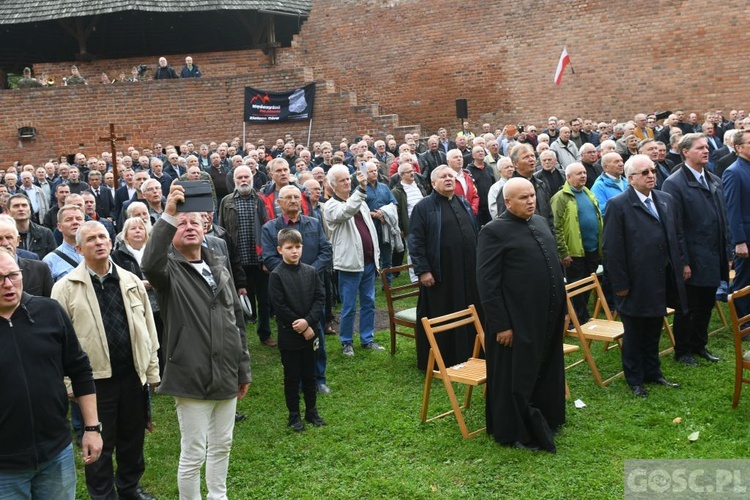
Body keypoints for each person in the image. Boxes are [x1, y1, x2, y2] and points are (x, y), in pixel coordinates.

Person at [142, 183, 250, 499]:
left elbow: (236, 320)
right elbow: (149, 263)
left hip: (227, 372)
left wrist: (243, 369)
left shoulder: (218, 262)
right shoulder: (168, 271)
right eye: (181, 223)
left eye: (195, 222)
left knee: (222, 445)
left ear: (206, 227)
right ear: (171, 232)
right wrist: (169, 214)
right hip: (191, 375)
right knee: (194, 453)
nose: (188, 227)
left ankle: (219, 496)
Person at [52, 221, 159, 500]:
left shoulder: (131, 281)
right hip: (94, 383)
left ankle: (129, 487)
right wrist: (68, 383)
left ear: (111, 242)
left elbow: (149, 329)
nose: (99, 242)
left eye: (103, 237)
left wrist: (152, 371)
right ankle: (102, 494)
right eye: (91, 239)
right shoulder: (65, 288)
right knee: (99, 443)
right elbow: (58, 343)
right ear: (78, 248)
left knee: (132, 439)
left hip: (133, 377)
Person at [0, 248, 102, 499]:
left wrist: (92, 428)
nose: (8, 284)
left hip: (56, 454)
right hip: (4, 467)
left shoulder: (50, 312)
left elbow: (80, 370)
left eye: (14, 275)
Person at [476, 177, 566, 452]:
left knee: (545, 367)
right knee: (517, 375)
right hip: (515, 320)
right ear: (507, 202)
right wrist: (502, 324)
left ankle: (547, 416)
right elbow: (487, 283)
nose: (530, 201)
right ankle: (514, 430)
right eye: (523, 198)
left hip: (546, 314)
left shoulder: (538, 221)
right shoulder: (493, 231)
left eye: (531, 196)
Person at [603, 154, 687, 397]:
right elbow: (612, 249)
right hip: (635, 280)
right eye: (645, 173)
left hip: (660, 278)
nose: (652, 175)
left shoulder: (665, 199)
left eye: (653, 170)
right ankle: (635, 378)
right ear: (630, 179)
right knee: (635, 331)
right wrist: (620, 284)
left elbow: (674, 235)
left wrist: (680, 266)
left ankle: (653, 372)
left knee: (654, 326)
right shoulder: (618, 205)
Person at [662, 133, 729, 365]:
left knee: (706, 303)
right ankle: (683, 350)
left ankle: (700, 345)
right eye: (699, 148)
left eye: (706, 147)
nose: (706, 150)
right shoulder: (674, 183)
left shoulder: (712, 179)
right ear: (685, 152)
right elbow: (674, 226)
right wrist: (683, 261)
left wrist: (726, 251)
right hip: (692, 255)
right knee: (687, 306)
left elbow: (722, 218)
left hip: (713, 252)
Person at [260, 185, 332, 394]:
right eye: (287, 197)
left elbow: (325, 250)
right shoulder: (270, 229)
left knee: (315, 332)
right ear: (279, 203)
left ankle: (318, 378)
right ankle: (298, 379)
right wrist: (289, 274)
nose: (293, 200)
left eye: (296, 197)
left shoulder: (314, 223)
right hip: (287, 289)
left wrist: (308, 272)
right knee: (293, 333)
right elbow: (269, 257)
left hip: (313, 285)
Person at [408, 165, 480, 370]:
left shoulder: (463, 202)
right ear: (433, 183)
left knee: (469, 309)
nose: (449, 179)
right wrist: (423, 270)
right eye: (443, 176)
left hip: (467, 271)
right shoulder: (424, 207)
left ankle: (472, 353)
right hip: (441, 274)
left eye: (451, 176)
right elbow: (415, 240)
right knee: (444, 313)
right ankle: (445, 358)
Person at [269, 228, 326, 431]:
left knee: (310, 374)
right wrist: (300, 326)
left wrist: (309, 323)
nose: (294, 251)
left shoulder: (310, 272)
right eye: (289, 247)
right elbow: (279, 306)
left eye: (298, 247)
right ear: (279, 249)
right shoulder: (276, 276)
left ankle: (312, 411)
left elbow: (320, 298)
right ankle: (294, 415)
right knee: (292, 377)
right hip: (289, 335)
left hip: (310, 333)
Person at [324, 165, 384, 356]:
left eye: (348, 179)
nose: (347, 183)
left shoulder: (360, 201)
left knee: (369, 302)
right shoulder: (331, 206)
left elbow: (370, 229)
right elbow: (346, 212)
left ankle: (367, 339)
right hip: (349, 264)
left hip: (367, 262)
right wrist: (361, 190)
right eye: (342, 181)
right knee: (349, 305)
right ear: (333, 186)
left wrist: (376, 255)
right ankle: (346, 342)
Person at [219, 165, 275, 346]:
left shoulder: (261, 200)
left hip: (260, 259)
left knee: (264, 299)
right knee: (239, 301)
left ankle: (265, 334)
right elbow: (221, 231)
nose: (243, 180)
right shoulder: (226, 202)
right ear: (234, 181)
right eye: (239, 178)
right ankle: (239, 339)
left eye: (246, 177)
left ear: (252, 178)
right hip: (238, 260)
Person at [550, 163, 603, 323]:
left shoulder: (587, 192)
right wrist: (563, 252)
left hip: (592, 248)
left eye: (584, 172)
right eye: (579, 173)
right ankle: (576, 319)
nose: (583, 176)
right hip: (573, 251)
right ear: (568, 177)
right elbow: (556, 226)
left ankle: (582, 314)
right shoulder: (560, 197)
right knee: (576, 286)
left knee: (588, 282)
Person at [723, 129, 750, 339]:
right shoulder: (733, 171)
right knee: (743, 280)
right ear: (738, 148)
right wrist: (739, 241)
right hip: (745, 236)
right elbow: (732, 209)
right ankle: (743, 324)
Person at [0, 215, 52, 296]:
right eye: (0, 239)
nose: (5, 243)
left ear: (17, 240)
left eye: (9, 237)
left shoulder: (39, 269)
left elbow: (49, 303)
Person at [43, 205, 84, 282]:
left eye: (79, 219)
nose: (75, 222)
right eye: (69, 220)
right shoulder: (50, 260)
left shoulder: (98, 252)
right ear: (59, 227)